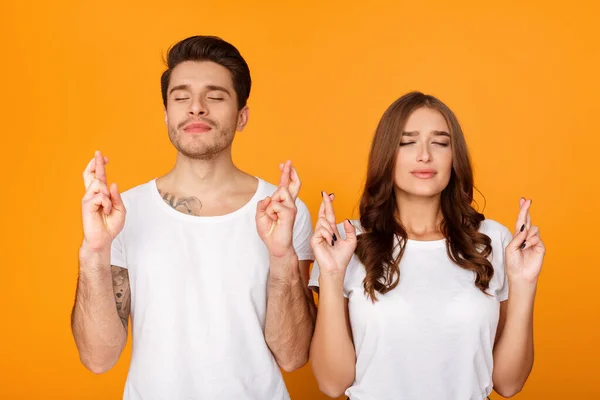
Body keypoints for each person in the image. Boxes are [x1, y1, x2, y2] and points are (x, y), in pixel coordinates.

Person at [71, 35, 316, 400]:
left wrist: (282, 258)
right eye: (181, 97)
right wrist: (94, 251)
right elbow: (98, 358)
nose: (196, 108)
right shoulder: (123, 213)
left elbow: (294, 356)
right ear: (167, 114)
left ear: (242, 116)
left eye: (215, 97)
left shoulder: (282, 211)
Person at [308, 91, 545, 400]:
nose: (424, 155)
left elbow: (509, 383)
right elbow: (331, 383)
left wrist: (524, 284)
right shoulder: (346, 240)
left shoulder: (493, 240)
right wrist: (330, 274)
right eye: (407, 142)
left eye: (440, 143)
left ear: (454, 158)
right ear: (386, 155)